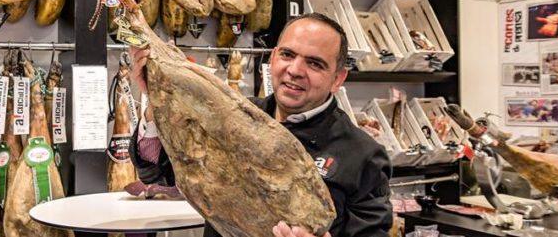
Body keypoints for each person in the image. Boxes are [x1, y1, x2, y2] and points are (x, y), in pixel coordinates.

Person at [128, 13, 393, 237]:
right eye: (288, 55)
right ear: (273, 58)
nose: (295, 70)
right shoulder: (229, 113)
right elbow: (158, 175)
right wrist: (155, 101)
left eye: (315, 63)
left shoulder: (364, 156)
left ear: (338, 78)